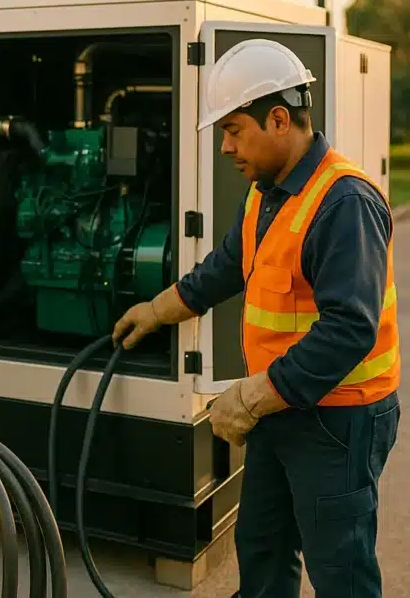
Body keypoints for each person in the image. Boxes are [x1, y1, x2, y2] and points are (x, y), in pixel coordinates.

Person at [113, 39, 400, 598]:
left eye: (234, 130)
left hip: (338, 422)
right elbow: (229, 264)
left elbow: (350, 329)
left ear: (278, 119)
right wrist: (158, 309)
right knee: (263, 548)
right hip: (281, 408)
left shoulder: (344, 202)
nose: (225, 147)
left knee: (340, 571)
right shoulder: (267, 192)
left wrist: (249, 398)